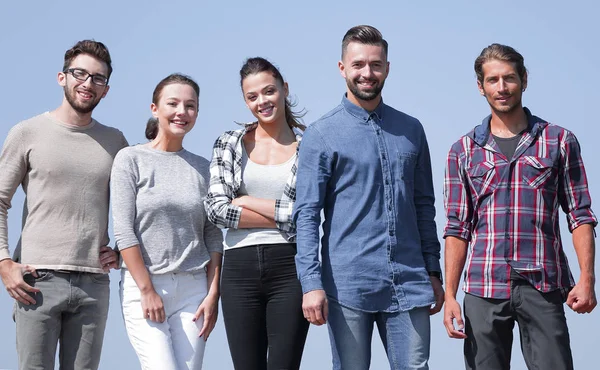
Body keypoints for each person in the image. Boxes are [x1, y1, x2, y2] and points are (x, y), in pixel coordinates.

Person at [293, 25, 444, 370]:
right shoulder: (320, 135)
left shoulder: (412, 130)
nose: (367, 73)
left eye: (376, 65)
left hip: (409, 280)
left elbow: (424, 206)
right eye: (358, 64)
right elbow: (307, 215)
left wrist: (432, 269)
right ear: (342, 68)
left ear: (387, 68)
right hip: (348, 284)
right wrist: (310, 283)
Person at [442, 43, 597, 370]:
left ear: (524, 80)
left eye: (509, 78)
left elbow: (580, 215)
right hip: (483, 286)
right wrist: (450, 295)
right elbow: (457, 227)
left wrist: (586, 279)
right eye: (493, 80)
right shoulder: (463, 150)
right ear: (480, 85)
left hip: (542, 284)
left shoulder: (558, 140)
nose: (502, 88)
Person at [0, 40, 127, 370]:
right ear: (62, 77)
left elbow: (133, 207)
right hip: (37, 281)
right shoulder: (27, 132)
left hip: (94, 284)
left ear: (106, 90)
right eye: (80, 73)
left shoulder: (116, 142)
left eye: (98, 78)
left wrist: (121, 250)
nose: (88, 83)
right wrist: (3, 262)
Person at [111, 73, 223, 370]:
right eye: (173, 103)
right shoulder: (130, 159)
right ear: (154, 108)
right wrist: (147, 290)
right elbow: (123, 231)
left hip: (194, 290)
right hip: (144, 286)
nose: (181, 112)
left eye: (190, 106)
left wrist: (213, 295)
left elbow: (212, 235)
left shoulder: (204, 168)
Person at [205, 57, 309, 370]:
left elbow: (305, 215)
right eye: (252, 96)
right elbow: (216, 210)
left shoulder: (309, 147)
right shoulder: (229, 143)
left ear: (284, 89)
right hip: (238, 268)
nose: (262, 101)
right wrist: (283, 214)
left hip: (290, 267)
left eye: (268, 91)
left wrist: (247, 200)